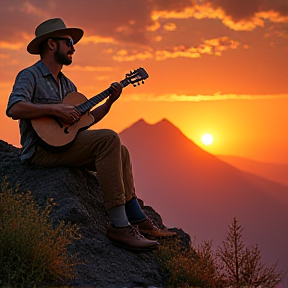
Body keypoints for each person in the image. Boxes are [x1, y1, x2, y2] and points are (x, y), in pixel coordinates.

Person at [6, 18, 175, 252]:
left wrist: (111, 101)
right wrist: (53, 109)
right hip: (40, 152)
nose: (73, 47)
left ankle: (138, 219)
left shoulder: (68, 85)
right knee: (109, 139)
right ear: (52, 44)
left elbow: (86, 121)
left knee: (120, 150)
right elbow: (14, 107)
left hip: (64, 146)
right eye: (69, 42)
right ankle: (119, 225)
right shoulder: (30, 76)